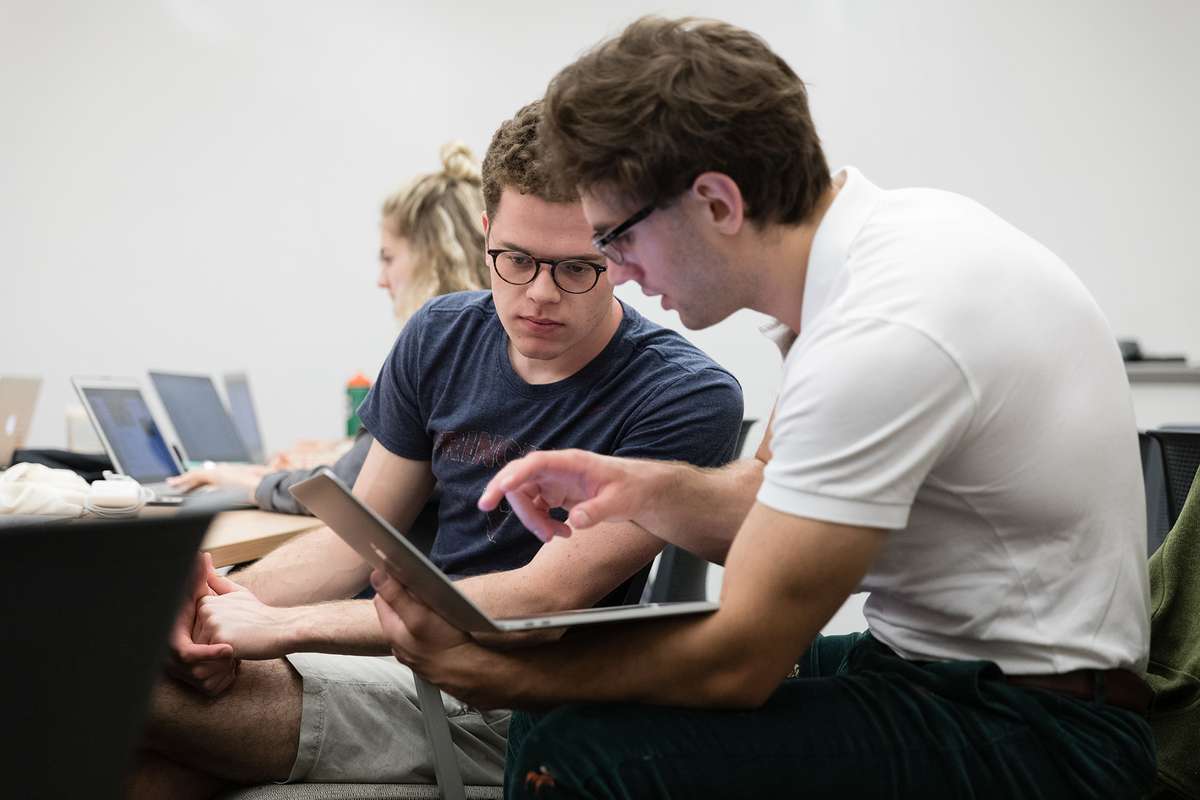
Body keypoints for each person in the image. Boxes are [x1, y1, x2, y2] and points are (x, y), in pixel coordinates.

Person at [371, 17, 1157, 799]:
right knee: (568, 704)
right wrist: (640, 488)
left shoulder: (884, 330)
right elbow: (773, 497)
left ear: (716, 203)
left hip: (1045, 733)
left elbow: (741, 661)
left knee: (576, 749)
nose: (621, 273)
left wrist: (500, 673)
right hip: (938, 668)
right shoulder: (874, 253)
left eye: (618, 239)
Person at [130, 100, 744, 799]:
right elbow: (355, 540)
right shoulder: (441, 335)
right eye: (516, 260)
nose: (540, 294)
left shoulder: (684, 395)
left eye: (579, 267)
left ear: (622, 253)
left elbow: (538, 598)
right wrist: (208, 614)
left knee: (111, 692)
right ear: (486, 234)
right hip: (407, 663)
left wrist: (280, 626)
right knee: (134, 719)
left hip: (523, 702)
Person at [167, 142, 492, 514]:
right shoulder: (481, 351)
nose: (381, 279)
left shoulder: (442, 358)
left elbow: (347, 490)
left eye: (388, 258)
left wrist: (247, 484)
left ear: (433, 258)